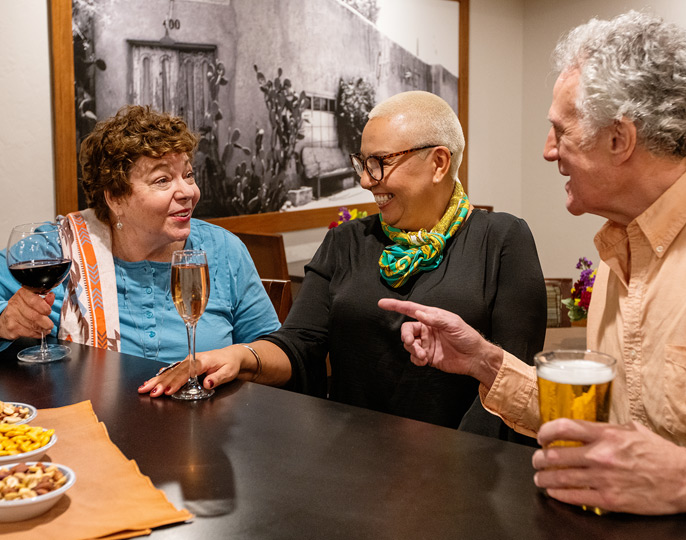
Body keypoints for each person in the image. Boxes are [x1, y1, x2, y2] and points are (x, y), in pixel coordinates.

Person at [379, 11, 686, 528]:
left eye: (559, 131)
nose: (549, 151)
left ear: (620, 139)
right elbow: (602, 424)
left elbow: (664, 465)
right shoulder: (620, 252)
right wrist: (485, 362)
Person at [140, 91, 547, 441]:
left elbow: (514, 377)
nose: (367, 181)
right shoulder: (347, 241)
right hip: (354, 457)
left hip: (468, 466)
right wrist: (238, 357)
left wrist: (453, 459)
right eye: (363, 163)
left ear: (439, 163)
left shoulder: (502, 240)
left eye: (381, 162)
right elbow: (299, 346)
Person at [0, 105, 280, 363]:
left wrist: (239, 358)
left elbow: (278, 354)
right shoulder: (62, 248)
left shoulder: (223, 249)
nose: (187, 192)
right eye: (163, 180)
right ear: (116, 198)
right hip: (91, 414)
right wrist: (4, 320)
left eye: (189, 175)